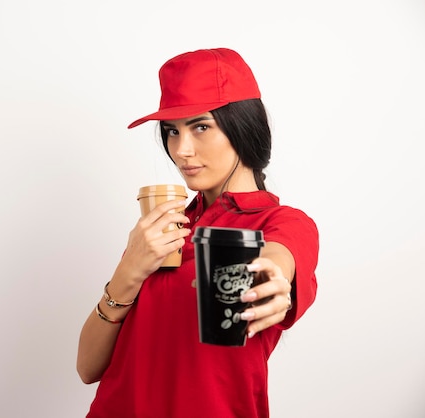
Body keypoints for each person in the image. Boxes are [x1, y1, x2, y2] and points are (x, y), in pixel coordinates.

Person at [76, 48, 319, 418]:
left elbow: (280, 256)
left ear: (242, 126)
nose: (181, 150)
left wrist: (272, 277)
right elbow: (87, 367)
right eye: (172, 131)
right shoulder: (162, 227)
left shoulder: (279, 223)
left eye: (201, 127)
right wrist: (130, 271)